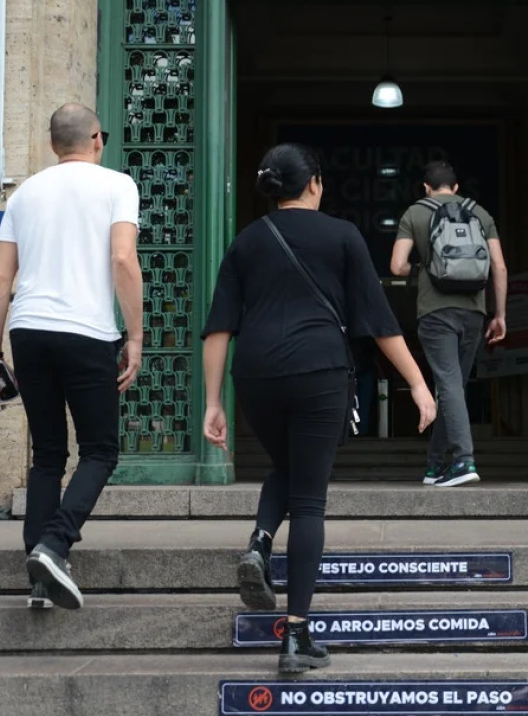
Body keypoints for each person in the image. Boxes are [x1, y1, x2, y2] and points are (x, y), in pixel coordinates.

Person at [201, 143, 436, 674]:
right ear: (314, 184)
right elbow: (378, 323)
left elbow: (218, 327)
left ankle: (260, 543)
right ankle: (296, 637)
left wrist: (214, 401)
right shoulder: (343, 236)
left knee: (285, 469)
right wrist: (419, 385)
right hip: (319, 373)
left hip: (255, 375)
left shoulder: (245, 242)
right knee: (308, 501)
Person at [0, 103, 144, 608]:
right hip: (86, 331)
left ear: (54, 145)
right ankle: (55, 544)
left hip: (28, 331)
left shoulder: (25, 193)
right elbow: (122, 258)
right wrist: (134, 335)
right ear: (97, 138)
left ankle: (40, 578)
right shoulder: (118, 185)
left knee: (48, 453)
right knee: (100, 450)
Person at [390, 161, 506, 487]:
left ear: (426, 187)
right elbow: (499, 267)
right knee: (454, 385)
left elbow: (396, 266)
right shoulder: (480, 213)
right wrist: (500, 315)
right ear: (455, 188)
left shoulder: (415, 213)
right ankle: (435, 466)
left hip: (435, 312)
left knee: (448, 385)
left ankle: (463, 461)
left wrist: (424, 270)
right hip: (474, 311)